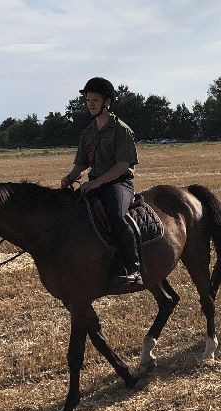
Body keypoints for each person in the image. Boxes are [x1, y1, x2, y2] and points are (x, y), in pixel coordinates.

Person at [60, 76, 142, 285]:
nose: (90, 105)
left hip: (118, 183)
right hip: (93, 183)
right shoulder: (87, 133)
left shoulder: (121, 130)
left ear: (107, 102)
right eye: (88, 101)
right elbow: (82, 163)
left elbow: (123, 165)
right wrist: (70, 177)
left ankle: (133, 267)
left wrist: (96, 183)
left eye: (95, 101)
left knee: (116, 216)